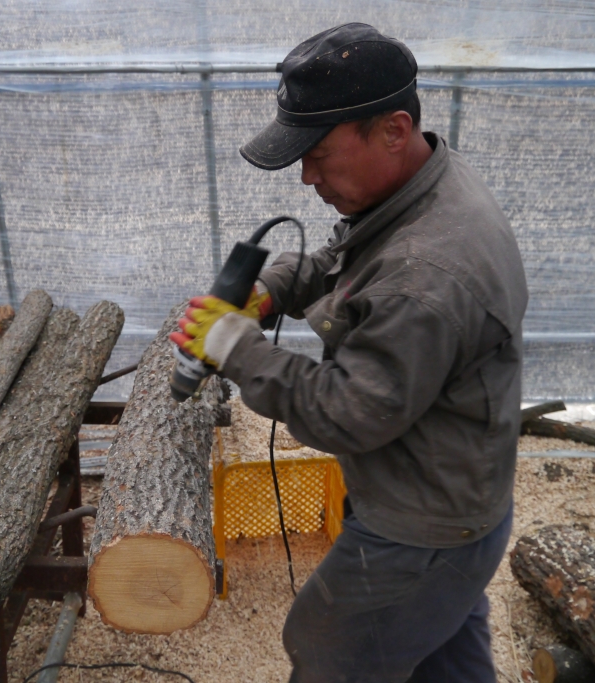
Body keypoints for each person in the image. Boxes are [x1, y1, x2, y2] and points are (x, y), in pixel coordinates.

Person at [170, 23, 528, 683]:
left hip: (422, 526)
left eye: (319, 154)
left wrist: (232, 345)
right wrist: (269, 294)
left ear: (392, 129)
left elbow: (348, 412)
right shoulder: (416, 186)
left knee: (331, 651)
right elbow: (346, 256)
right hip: (453, 494)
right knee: (442, 651)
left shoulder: (432, 273)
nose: (306, 176)